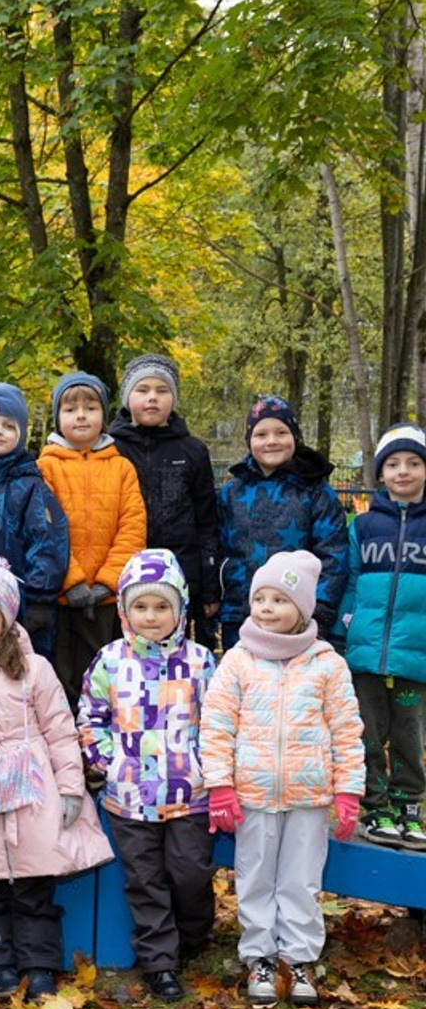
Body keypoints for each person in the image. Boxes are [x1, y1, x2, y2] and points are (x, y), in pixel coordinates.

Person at [202, 551, 364, 1008]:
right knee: (254, 876)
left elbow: (347, 730)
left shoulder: (327, 664)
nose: (267, 608)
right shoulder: (238, 661)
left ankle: (299, 958)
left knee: (301, 879)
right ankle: (259, 957)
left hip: (309, 795)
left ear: (303, 608)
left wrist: (348, 790)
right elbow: (216, 725)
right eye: (260, 599)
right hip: (252, 793)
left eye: (279, 600)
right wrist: (220, 784)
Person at [0, 558, 111, 1000]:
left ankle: (38, 965)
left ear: (7, 618)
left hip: (33, 792)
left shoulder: (34, 667)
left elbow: (60, 729)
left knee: (34, 887)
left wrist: (70, 787)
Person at [79, 549, 218, 1001]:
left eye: (162, 606)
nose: (151, 616)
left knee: (189, 873)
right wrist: (108, 763)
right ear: (124, 610)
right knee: (145, 879)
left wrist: (208, 767)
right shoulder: (110, 660)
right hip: (130, 796)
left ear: (180, 609)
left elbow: (218, 721)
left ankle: (193, 934)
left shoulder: (201, 661)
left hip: (189, 793)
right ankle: (160, 962)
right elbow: (91, 716)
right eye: (140, 606)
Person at [338, 424, 426, 847]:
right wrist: (343, 630)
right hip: (366, 652)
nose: (402, 471)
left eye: (413, 463)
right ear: (380, 473)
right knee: (367, 733)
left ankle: (409, 807)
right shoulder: (364, 525)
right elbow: (350, 581)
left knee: (410, 734)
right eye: (393, 464)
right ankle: (375, 807)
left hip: (415, 654)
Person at [37, 371, 147, 707]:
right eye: (71, 409)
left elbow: (132, 528)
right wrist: (70, 581)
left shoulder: (122, 468)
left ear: (104, 415)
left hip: (104, 600)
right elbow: (44, 530)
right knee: (60, 680)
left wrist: (107, 581)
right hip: (61, 597)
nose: (81, 416)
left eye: (90, 408)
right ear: (58, 417)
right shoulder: (45, 468)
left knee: (103, 679)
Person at [217, 396, 348, 649]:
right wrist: (218, 597)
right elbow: (217, 546)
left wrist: (320, 608)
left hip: (295, 618)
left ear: (295, 437)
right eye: (261, 434)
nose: (271, 441)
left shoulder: (315, 491)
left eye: (281, 432)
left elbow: (333, 554)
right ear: (249, 440)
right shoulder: (231, 491)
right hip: (240, 612)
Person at [109, 355, 220, 647]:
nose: (152, 398)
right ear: (127, 397)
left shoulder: (193, 451)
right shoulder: (109, 448)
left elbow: (207, 522)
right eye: (142, 390)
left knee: (175, 656)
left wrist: (208, 588)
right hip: (123, 576)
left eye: (162, 390)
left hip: (181, 576)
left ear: (173, 398)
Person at [0, 382, 69, 659]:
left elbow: (47, 544)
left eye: (8, 426)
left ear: (21, 434)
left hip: (22, 607)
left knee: (19, 671)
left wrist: (39, 600)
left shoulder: (31, 486)